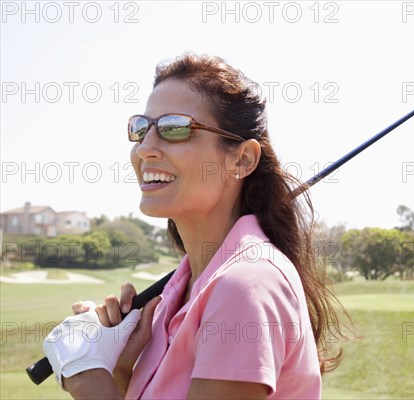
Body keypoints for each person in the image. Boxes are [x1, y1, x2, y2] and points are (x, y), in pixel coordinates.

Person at [43, 53, 349, 399]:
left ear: (243, 159)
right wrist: (121, 371)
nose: (145, 149)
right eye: (141, 129)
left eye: (175, 128)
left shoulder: (244, 284)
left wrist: (86, 376)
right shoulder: (179, 292)